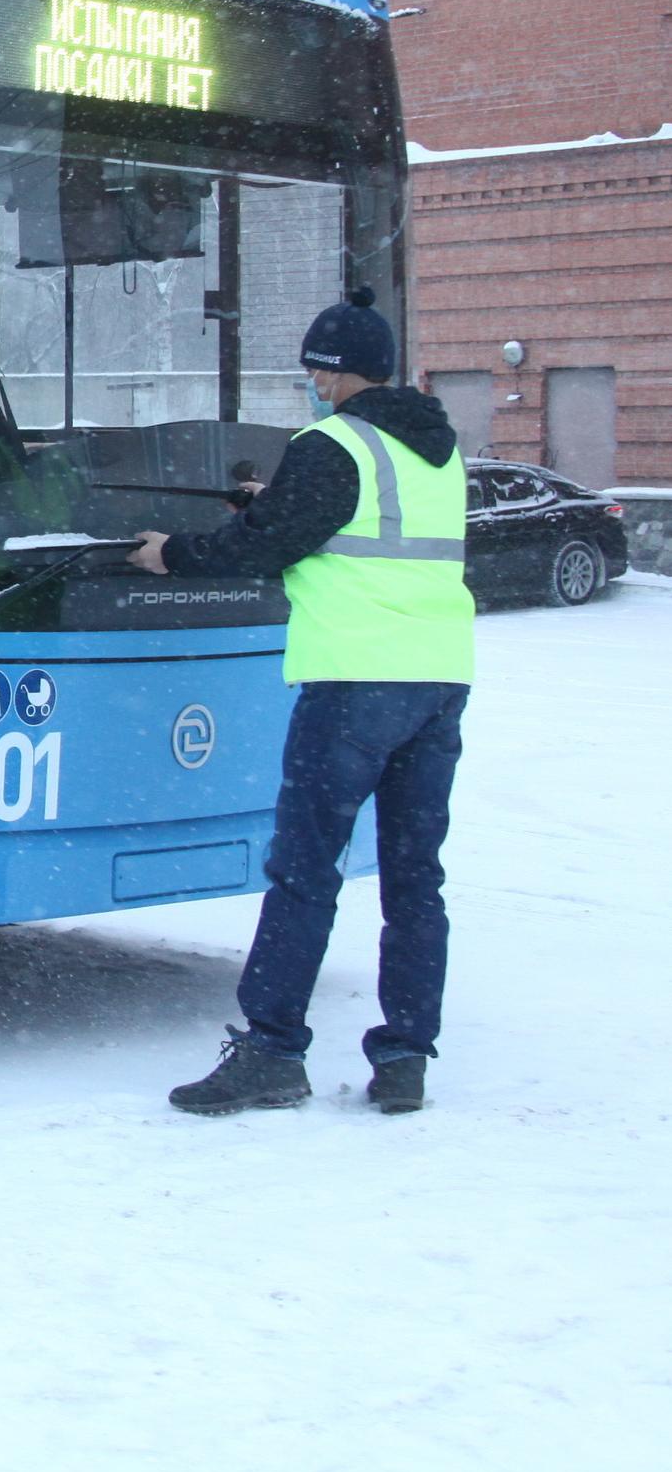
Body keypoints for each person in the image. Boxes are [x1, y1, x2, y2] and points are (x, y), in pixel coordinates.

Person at [129, 286, 474, 1117]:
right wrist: (274, 506)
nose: (310, 385)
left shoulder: (333, 444)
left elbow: (268, 545)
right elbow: (355, 533)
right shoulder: (437, 450)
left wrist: (169, 553)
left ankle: (271, 1051)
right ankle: (403, 1056)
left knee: (302, 870)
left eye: (314, 371)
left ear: (331, 372)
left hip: (354, 684)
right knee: (413, 877)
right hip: (437, 682)